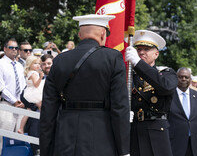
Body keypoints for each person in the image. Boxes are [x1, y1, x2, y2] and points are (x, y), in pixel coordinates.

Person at [40, 14, 130, 156]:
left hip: (65, 139)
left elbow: (48, 110)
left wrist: (46, 149)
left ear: (80, 34)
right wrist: (124, 149)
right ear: (102, 33)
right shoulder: (113, 58)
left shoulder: (60, 60)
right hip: (101, 140)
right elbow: (119, 107)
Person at [125, 30, 178, 156]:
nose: (141, 52)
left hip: (156, 131)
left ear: (156, 54)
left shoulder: (166, 73)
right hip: (133, 130)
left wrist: (138, 63)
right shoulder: (128, 76)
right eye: (138, 49)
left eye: (146, 49)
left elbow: (166, 87)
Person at [168, 67, 197, 156]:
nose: (183, 79)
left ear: (190, 79)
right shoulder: (168, 97)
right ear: (176, 78)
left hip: (195, 147)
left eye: (186, 77)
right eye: (180, 77)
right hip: (174, 146)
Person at [18, 56, 44, 134]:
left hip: (30, 92)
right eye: (35, 63)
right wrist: (41, 77)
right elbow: (36, 85)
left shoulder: (31, 72)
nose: (38, 65)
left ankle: (21, 128)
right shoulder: (33, 73)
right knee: (40, 105)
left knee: (28, 111)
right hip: (32, 93)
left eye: (39, 63)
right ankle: (44, 121)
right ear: (30, 64)